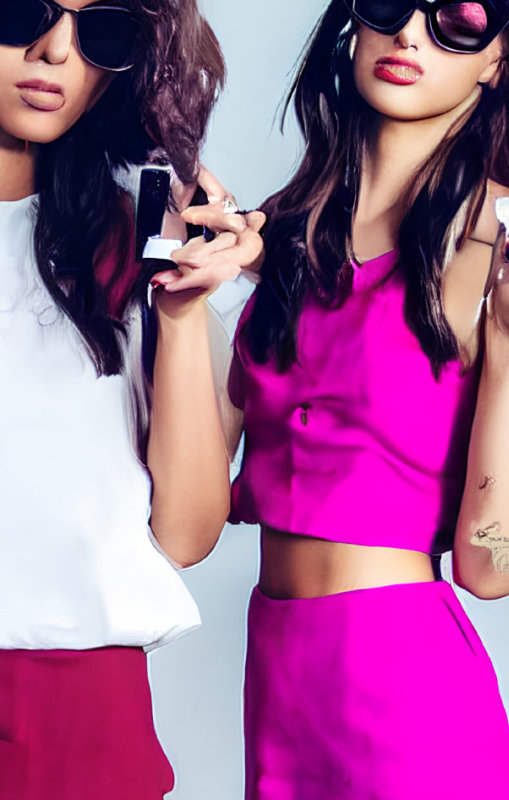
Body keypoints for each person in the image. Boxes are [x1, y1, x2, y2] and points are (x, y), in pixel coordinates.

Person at [222, 1, 509, 797]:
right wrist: (190, 298)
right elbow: (188, 511)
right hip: (278, 677)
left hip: (406, 685)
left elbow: (494, 566)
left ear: (501, 57)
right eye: (390, 4)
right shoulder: (281, 240)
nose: (412, 33)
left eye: (460, 16)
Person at [0, 1, 259, 798]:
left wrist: (179, 309)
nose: (54, 52)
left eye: (98, 31)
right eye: (22, 12)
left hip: (80, 713)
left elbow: (185, 533)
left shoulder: (126, 243)